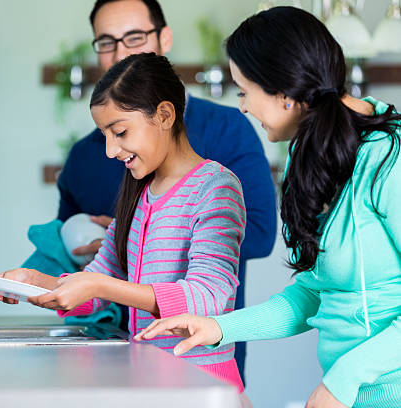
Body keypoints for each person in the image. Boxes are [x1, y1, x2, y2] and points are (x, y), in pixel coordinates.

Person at [134, 6, 401, 408]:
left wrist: (342, 382)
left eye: (244, 90)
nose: (242, 106)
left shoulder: (390, 159)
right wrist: (218, 328)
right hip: (351, 395)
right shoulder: (306, 156)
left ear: (284, 93)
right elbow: (311, 293)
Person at [0, 53, 249, 397]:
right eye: (105, 136)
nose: (111, 150)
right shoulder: (138, 195)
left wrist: (99, 286)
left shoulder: (215, 187)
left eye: (120, 132)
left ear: (165, 115)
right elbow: (95, 288)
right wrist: (36, 285)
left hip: (201, 385)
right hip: (150, 381)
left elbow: (208, 296)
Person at [56, 0, 277, 383]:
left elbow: (246, 248)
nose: (121, 52)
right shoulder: (111, 172)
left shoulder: (223, 150)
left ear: (164, 38)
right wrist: (35, 286)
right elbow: (87, 273)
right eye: (107, 42)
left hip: (198, 366)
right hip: (131, 364)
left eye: (134, 37)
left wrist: (110, 281)